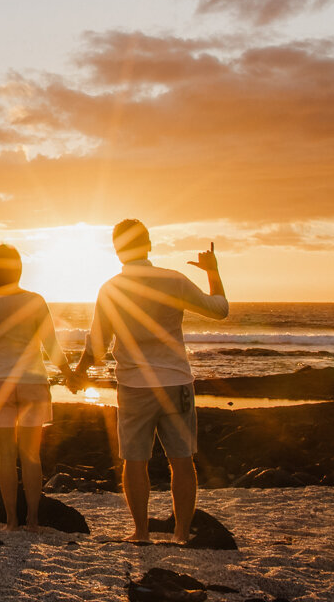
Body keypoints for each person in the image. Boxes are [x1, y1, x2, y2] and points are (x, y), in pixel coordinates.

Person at [73, 220, 229, 544]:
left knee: (135, 461)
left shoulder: (112, 288)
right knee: (182, 461)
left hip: (134, 386)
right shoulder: (174, 280)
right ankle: (182, 535)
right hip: (176, 381)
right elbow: (220, 310)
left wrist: (79, 371)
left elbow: (98, 343)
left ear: (117, 250)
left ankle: (141, 533)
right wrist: (212, 271)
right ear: (149, 245)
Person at [0, 243, 75, 532]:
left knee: (5, 454)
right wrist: (68, 374)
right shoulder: (35, 300)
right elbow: (51, 344)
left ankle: (12, 521)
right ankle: (34, 520)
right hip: (32, 381)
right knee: (30, 455)